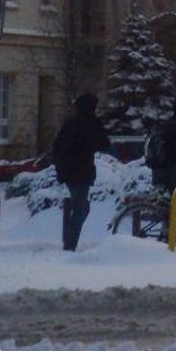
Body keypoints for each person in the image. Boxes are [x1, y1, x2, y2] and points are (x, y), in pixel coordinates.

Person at [52, 93, 112, 251]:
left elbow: (57, 146)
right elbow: (104, 143)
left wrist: (59, 166)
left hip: (67, 170)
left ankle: (69, 241)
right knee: (81, 209)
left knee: (81, 207)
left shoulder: (70, 124)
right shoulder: (92, 123)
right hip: (82, 171)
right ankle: (70, 245)